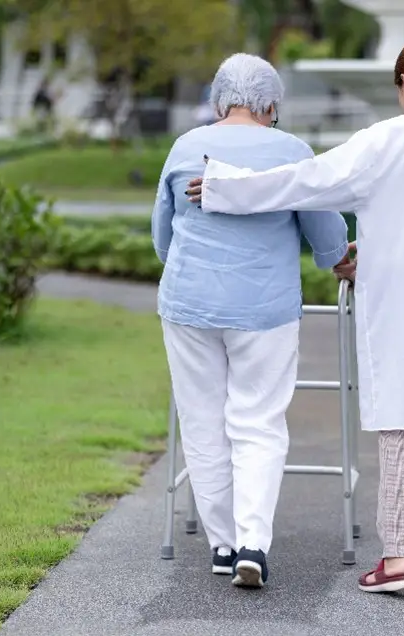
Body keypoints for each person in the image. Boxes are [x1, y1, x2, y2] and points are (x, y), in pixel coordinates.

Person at [186, 36, 404, 594]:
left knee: (401, 418)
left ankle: (396, 560)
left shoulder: (390, 139)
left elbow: (310, 181)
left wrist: (224, 187)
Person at [152, 53, 351, 588]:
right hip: (264, 308)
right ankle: (252, 544)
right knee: (259, 422)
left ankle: (220, 545)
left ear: (219, 101)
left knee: (203, 420)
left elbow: (162, 237)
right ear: (271, 106)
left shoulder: (186, 148)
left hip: (189, 304)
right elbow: (327, 234)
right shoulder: (292, 152)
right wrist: (336, 259)